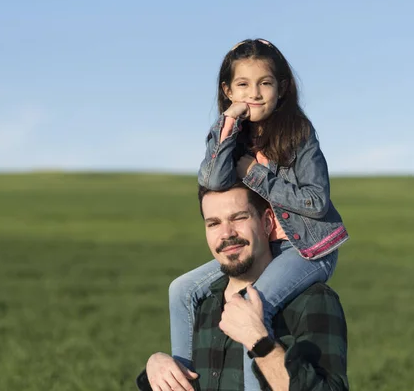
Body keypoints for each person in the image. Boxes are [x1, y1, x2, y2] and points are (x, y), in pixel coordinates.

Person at [168, 38, 350, 390]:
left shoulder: (298, 133)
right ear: (227, 90)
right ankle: (181, 380)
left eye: (264, 83)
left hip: (308, 250)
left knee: (250, 311)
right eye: (242, 85)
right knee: (181, 289)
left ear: (281, 88)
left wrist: (254, 173)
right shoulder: (235, 133)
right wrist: (229, 121)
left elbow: (315, 202)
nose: (254, 93)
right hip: (266, 246)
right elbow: (211, 179)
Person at [137, 183, 349, 390]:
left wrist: (261, 345)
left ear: (267, 223)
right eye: (213, 223)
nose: (227, 233)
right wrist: (154, 371)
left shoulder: (312, 300)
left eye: (239, 218)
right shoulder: (202, 303)